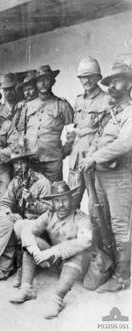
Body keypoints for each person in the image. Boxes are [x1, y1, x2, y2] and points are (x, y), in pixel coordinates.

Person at [80, 56, 132, 292]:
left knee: (120, 226)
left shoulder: (129, 113)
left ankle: (122, 277)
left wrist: (94, 157)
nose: (111, 86)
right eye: (109, 82)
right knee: (99, 222)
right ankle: (106, 265)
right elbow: (98, 141)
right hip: (99, 177)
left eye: (118, 82)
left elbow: (125, 144)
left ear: (130, 85)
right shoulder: (109, 113)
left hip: (120, 178)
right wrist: (89, 154)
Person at [9, 181, 92, 319]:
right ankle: (26, 289)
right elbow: (28, 230)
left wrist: (51, 252)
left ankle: (57, 300)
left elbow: (84, 241)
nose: (61, 204)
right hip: (57, 261)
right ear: (52, 202)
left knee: (77, 254)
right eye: (57, 201)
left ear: (71, 199)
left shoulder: (82, 218)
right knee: (31, 243)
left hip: (77, 266)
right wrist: (36, 252)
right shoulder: (49, 215)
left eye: (65, 199)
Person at [0, 149, 52, 287]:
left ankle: (21, 270)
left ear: (29, 163)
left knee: (21, 227)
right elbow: (4, 202)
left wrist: (32, 201)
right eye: (15, 164)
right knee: (5, 221)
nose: (18, 167)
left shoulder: (42, 182)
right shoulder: (16, 181)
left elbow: (50, 210)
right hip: (21, 221)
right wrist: (9, 214)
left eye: (22, 163)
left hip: (39, 225)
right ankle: (7, 264)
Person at [67, 57, 111, 210]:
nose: (86, 80)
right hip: (76, 158)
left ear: (98, 77)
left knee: (96, 203)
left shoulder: (107, 100)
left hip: (94, 158)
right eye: (82, 77)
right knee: (71, 201)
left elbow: (107, 133)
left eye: (90, 76)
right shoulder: (78, 100)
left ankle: (98, 234)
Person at [22, 65, 74, 182]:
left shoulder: (62, 105)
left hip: (52, 163)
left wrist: (62, 152)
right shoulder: (28, 106)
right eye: (40, 81)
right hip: (31, 161)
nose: (43, 84)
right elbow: (21, 133)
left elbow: (73, 134)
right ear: (36, 84)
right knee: (33, 196)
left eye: (47, 79)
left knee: (53, 195)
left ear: (53, 82)